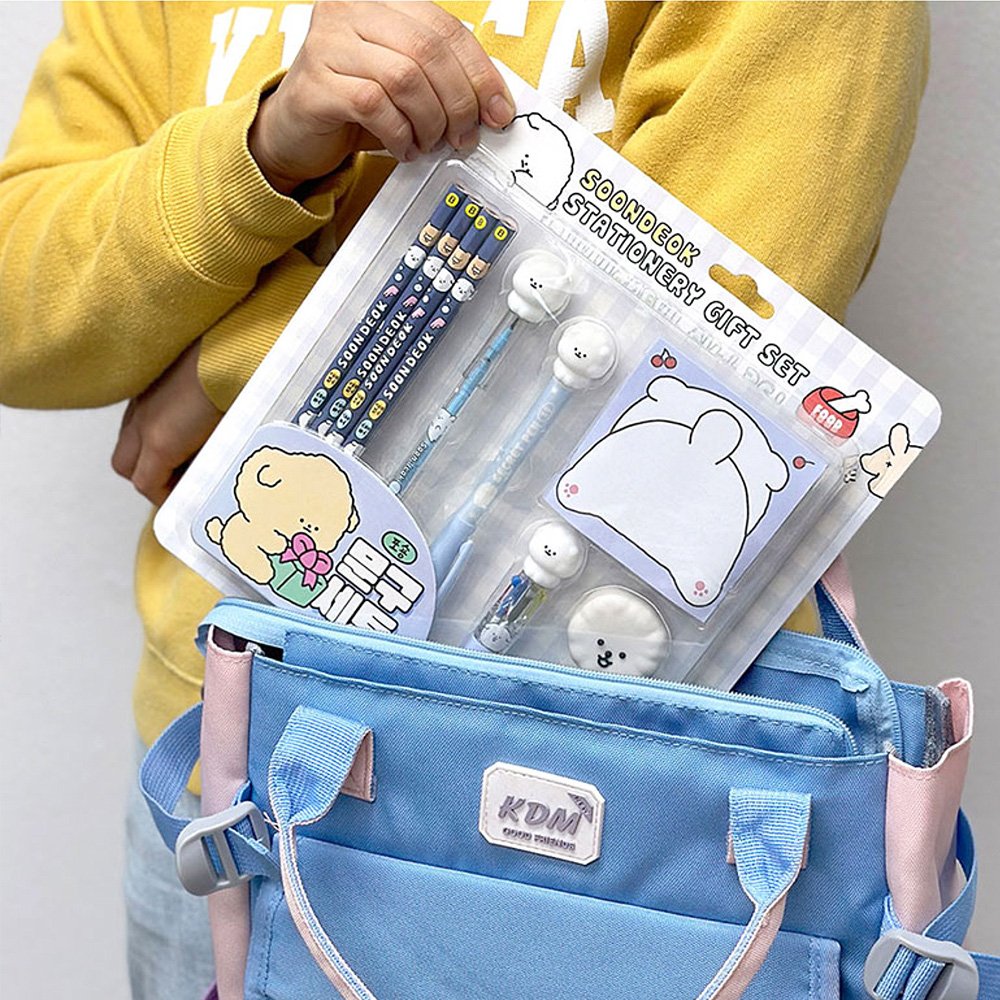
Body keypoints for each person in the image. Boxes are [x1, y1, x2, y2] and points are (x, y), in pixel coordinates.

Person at [0, 2, 929, 997]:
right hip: (228, 773)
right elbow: (21, 312)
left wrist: (220, 367)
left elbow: (712, 365)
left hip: (612, 824)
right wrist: (263, 151)